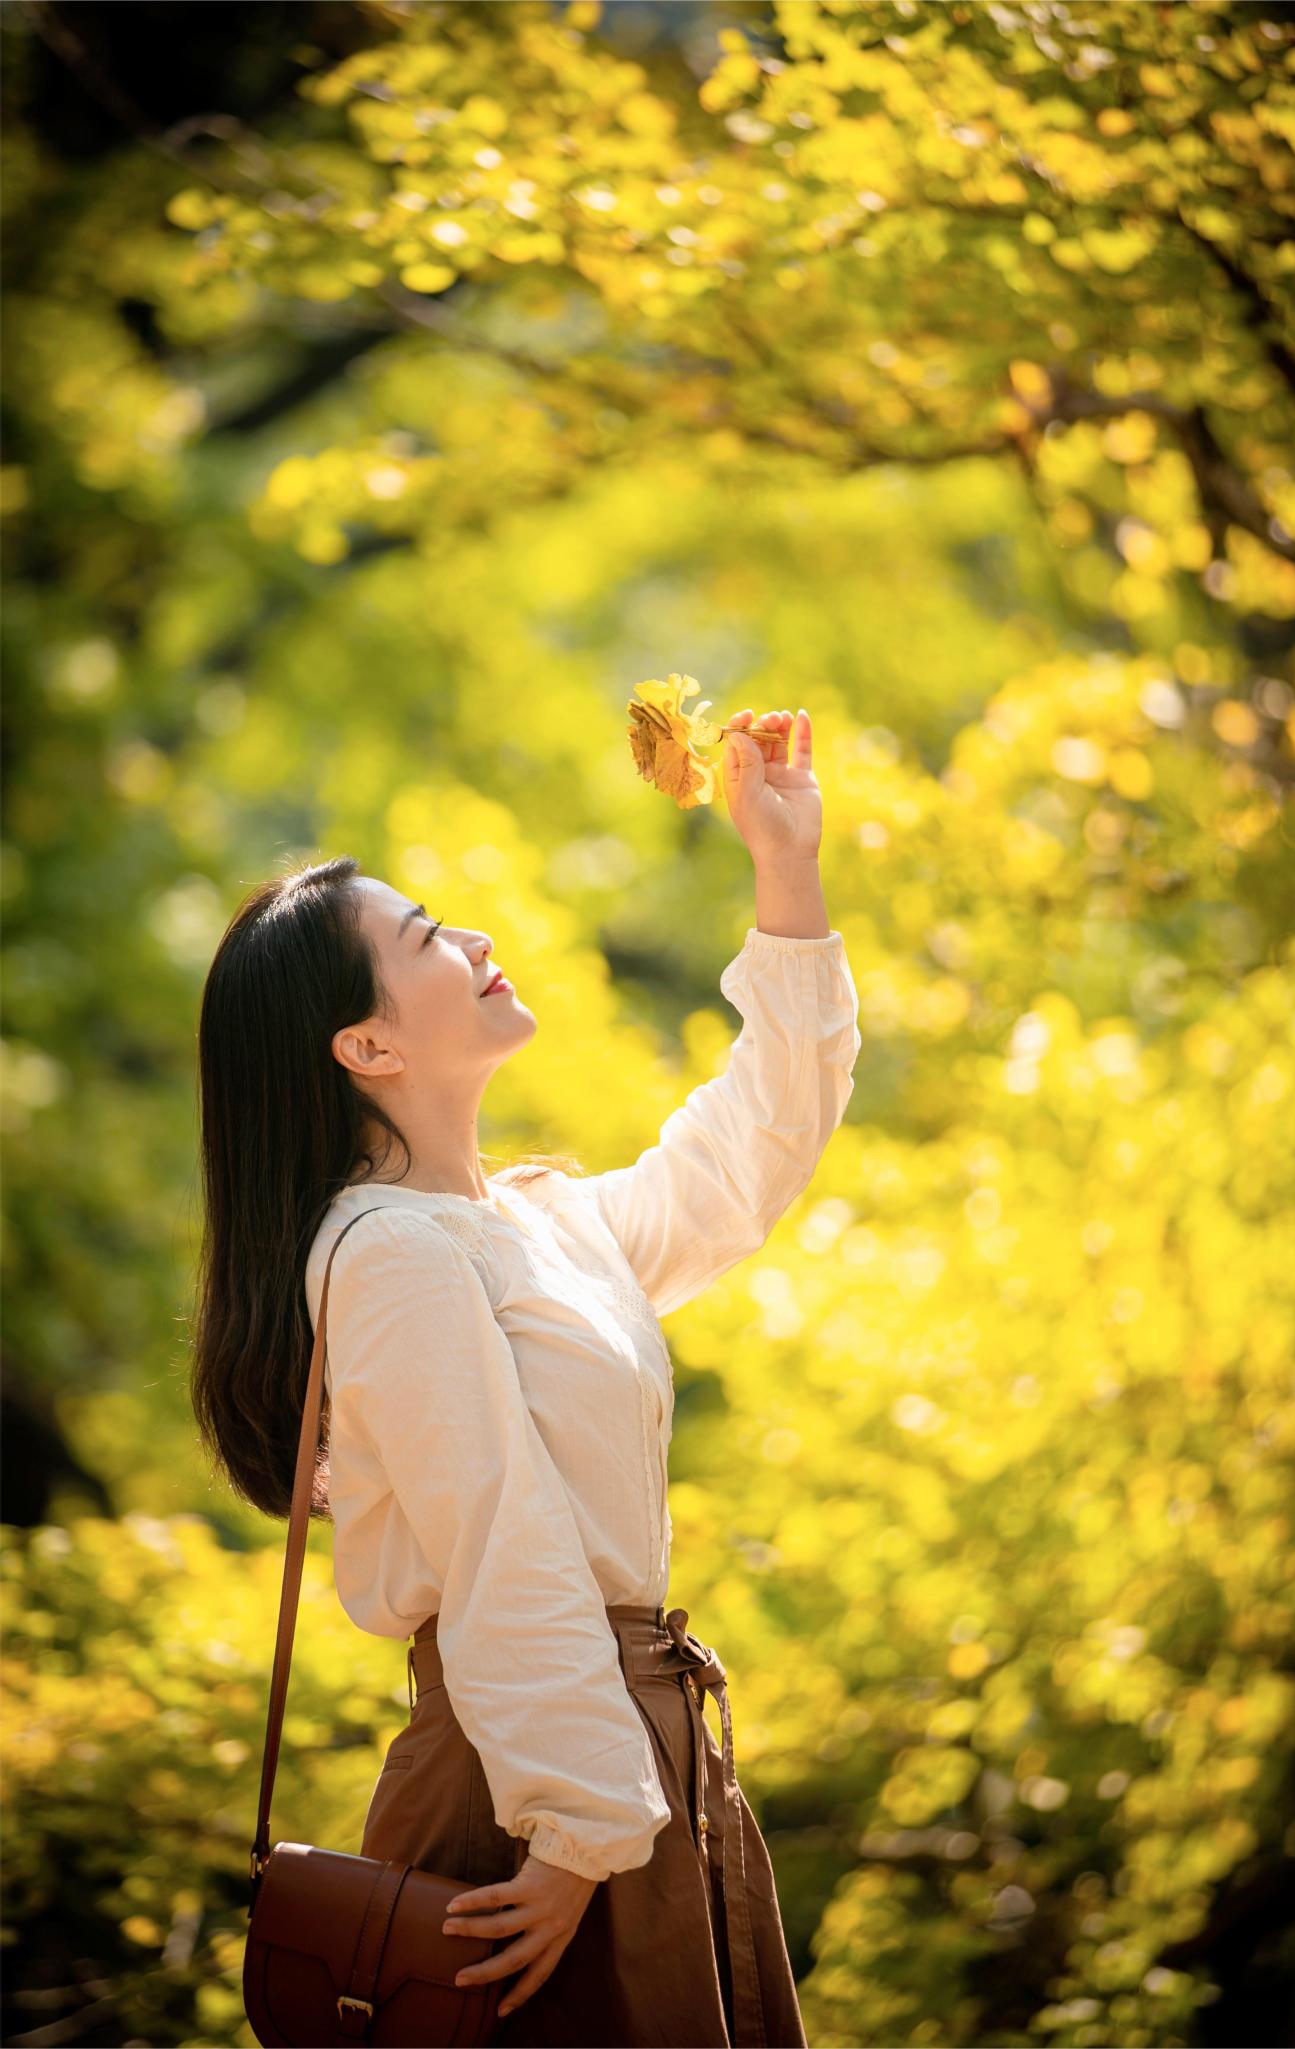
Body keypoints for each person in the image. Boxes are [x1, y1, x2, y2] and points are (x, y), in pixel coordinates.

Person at [190, 706, 860, 2047]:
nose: (477, 938)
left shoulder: (535, 1220)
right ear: (366, 1048)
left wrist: (783, 869)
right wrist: (570, 1835)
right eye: (430, 936)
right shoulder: (387, 1253)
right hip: (533, 1782)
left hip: (619, 1758)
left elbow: (749, 1155)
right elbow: (500, 1534)